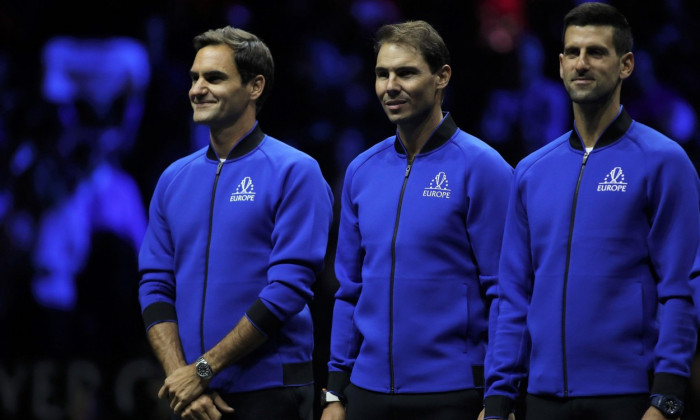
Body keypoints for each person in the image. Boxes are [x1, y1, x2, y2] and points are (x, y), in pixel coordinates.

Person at [482, 3, 699, 420]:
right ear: (560, 64)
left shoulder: (664, 162)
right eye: (573, 52)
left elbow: (683, 286)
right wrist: (498, 399)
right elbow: (513, 298)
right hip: (542, 397)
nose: (582, 63)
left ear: (626, 65)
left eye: (596, 52)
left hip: (628, 398)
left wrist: (667, 397)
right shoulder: (530, 171)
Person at [138, 26, 334, 420]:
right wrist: (183, 375)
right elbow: (155, 283)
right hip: (194, 397)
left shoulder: (295, 171)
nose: (197, 89)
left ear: (255, 86)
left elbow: (288, 289)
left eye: (214, 78)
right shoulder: (173, 177)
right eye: (194, 78)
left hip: (271, 390)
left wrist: (204, 368)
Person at [321, 20, 513, 420]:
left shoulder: (483, 168)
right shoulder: (361, 170)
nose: (391, 86)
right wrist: (335, 392)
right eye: (382, 74)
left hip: (453, 393)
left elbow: (505, 293)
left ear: (442, 77)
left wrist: (499, 398)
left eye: (406, 72)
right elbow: (348, 291)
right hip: (366, 392)